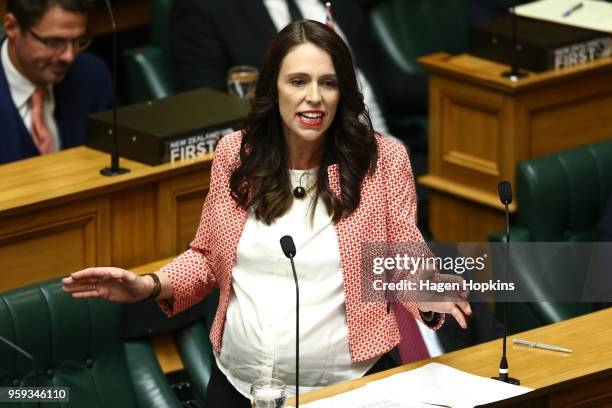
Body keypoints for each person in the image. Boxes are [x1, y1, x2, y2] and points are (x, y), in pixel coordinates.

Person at [63, 20, 470, 406]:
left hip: (346, 389)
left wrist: (429, 294)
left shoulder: (381, 162)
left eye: (327, 83)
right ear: (273, 89)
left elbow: (402, 259)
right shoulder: (236, 155)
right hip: (238, 388)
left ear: (342, 91)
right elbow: (207, 257)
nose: (314, 96)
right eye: (298, 81)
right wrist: (148, 285)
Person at [169, 0, 425, 139]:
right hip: (302, 176)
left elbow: (384, 80)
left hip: (390, 155)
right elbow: (209, 116)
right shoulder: (204, 9)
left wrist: (458, 86)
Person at [0, 0, 112, 165]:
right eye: (54, 42)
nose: (69, 56)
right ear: (12, 27)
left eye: (78, 41)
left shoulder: (92, 75)